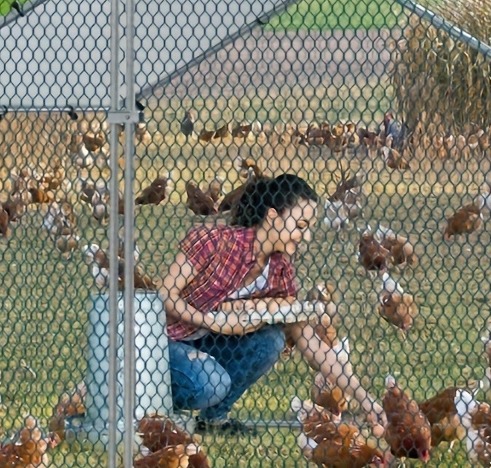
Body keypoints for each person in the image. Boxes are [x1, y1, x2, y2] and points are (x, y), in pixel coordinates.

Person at [158, 173, 381, 433]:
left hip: (207, 344)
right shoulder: (216, 242)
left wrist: (366, 402)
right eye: (300, 226)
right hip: (167, 341)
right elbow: (164, 296)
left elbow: (313, 344)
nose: (305, 237)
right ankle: (155, 407)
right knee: (211, 384)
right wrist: (214, 322)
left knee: (271, 342)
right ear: (273, 217)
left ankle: (212, 419)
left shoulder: (279, 272)